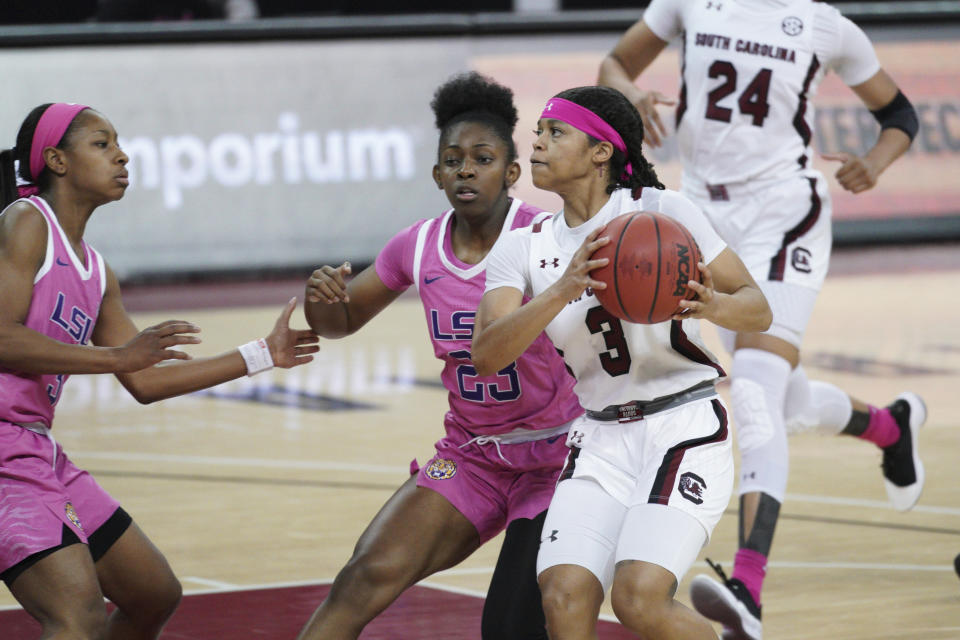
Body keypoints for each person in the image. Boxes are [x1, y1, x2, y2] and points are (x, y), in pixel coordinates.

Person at [597, 1, 925, 637]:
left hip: (785, 213)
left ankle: (747, 589)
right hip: (705, 218)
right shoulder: (687, 2)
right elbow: (613, 63)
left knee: (751, 391)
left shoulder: (823, 23)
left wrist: (876, 162)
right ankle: (890, 427)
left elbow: (900, 114)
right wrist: (629, 91)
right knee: (775, 394)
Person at [0, 102, 319, 639]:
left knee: (152, 594)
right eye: (102, 144)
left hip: (35, 447)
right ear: (56, 159)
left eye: (118, 143)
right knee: (75, 616)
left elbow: (145, 380)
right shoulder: (26, 222)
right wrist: (114, 358)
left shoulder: (98, 272)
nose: (121, 155)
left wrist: (262, 352)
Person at [472, 85, 771, 640]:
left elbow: (759, 309)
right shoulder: (524, 247)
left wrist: (716, 304)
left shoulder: (663, 213)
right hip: (600, 438)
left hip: (682, 426)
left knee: (638, 599)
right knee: (561, 597)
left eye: (554, 132)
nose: (535, 143)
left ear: (601, 152)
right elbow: (487, 355)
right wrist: (562, 288)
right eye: (537, 131)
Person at [295, 72, 583, 640]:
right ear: (436, 174)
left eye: (481, 158)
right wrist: (320, 302)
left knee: (509, 626)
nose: (466, 170)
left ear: (511, 171)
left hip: (559, 461)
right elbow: (341, 321)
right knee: (362, 577)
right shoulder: (417, 245)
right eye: (452, 160)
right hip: (472, 457)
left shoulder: (546, 236)